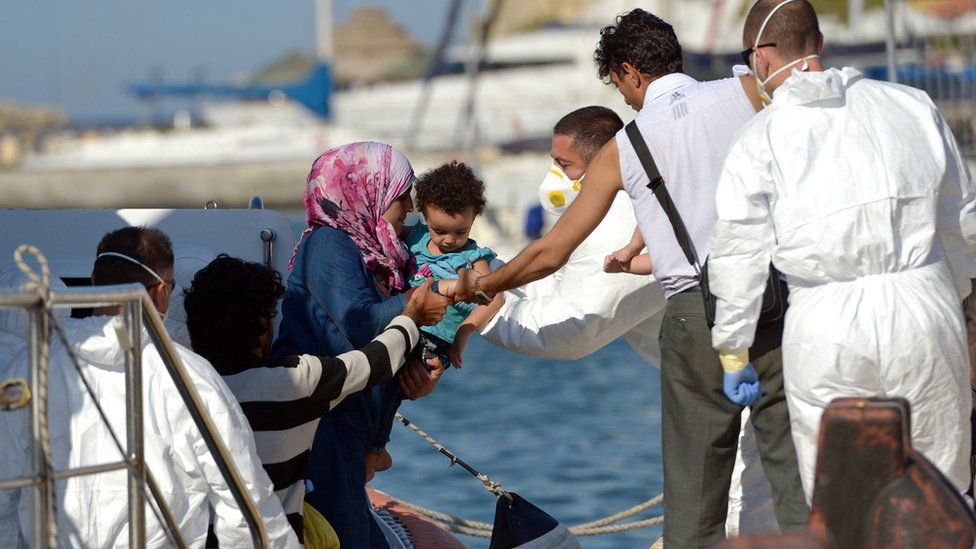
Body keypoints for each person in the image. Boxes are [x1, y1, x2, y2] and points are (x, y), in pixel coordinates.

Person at [447, 10, 809, 546]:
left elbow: (561, 281)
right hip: (776, 302)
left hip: (701, 317)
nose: (625, 99)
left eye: (619, 85)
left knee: (702, 499)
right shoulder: (744, 90)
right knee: (790, 479)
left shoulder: (629, 146)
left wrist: (483, 296)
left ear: (629, 72)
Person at [708, 0, 976, 500]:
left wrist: (732, 346)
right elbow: (961, 221)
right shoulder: (912, 104)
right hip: (923, 307)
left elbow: (737, 254)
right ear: (820, 45)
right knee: (942, 486)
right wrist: (954, 297)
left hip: (826, 326)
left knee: (839, 493)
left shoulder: (760, 137)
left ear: (761, 60)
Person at [0, 227, 297, 548]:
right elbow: (246, 506)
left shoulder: (29, 366)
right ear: (160, 293)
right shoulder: (191, 376)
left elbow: (5, 491)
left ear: (95, 282)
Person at [183, 255, 446, 545]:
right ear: (260, 324)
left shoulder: (178, 390)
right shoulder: (294, 382)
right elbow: (376, 362)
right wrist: (411, 316)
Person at [274, 142, 450, 547]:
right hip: (323, 429)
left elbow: (384, 338)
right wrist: (414, 304)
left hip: (350, 430)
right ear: (366, 191)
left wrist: (421, 371)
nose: (409, 206)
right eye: (399, 194)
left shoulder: (373, 255)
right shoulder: (330, 245)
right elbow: (358, 322)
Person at [403, 161, 502, 367]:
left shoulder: (472, 257)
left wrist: (464, 332)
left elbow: (495, 299)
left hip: (436, 341)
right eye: (439, 231)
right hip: (403, 321)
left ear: (473, 219)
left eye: (460, 232)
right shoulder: (415, 236)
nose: (449, 240)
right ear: (424, 214)